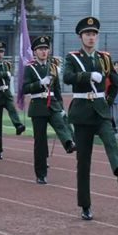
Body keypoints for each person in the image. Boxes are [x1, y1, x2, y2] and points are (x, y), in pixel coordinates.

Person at [63, 16, 118, 220]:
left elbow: (116, 80)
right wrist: (87, 76)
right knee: (83, 163)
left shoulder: (104, 57)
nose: (91, 38)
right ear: (80, 37)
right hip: (82, 112)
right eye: (87, 34)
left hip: (101, 111)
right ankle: (85, 205)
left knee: (111, 140)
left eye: (94, 34)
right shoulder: (72, 58)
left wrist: (108, 100)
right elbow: (67, 77)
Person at [23, 35, 76, 184]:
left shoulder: (52, 67)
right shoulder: (29, 68)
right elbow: (25, 88)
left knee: (60, 122)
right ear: (35, 52)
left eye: (46, 49)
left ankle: (68, 143)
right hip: (38, 106)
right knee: (40, 142)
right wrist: (40, 83)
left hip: (52, 103)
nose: (43, 51)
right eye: (40, 49)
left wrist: (61, 106)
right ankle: (41, 174)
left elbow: (57, 89)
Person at [0, 41, 26, 159]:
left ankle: (18, 125)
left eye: (2, 52)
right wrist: (5, 74)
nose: (0, 54)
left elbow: (8, 79)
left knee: (12, 109)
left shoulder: (7, 64)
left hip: (6, 92)